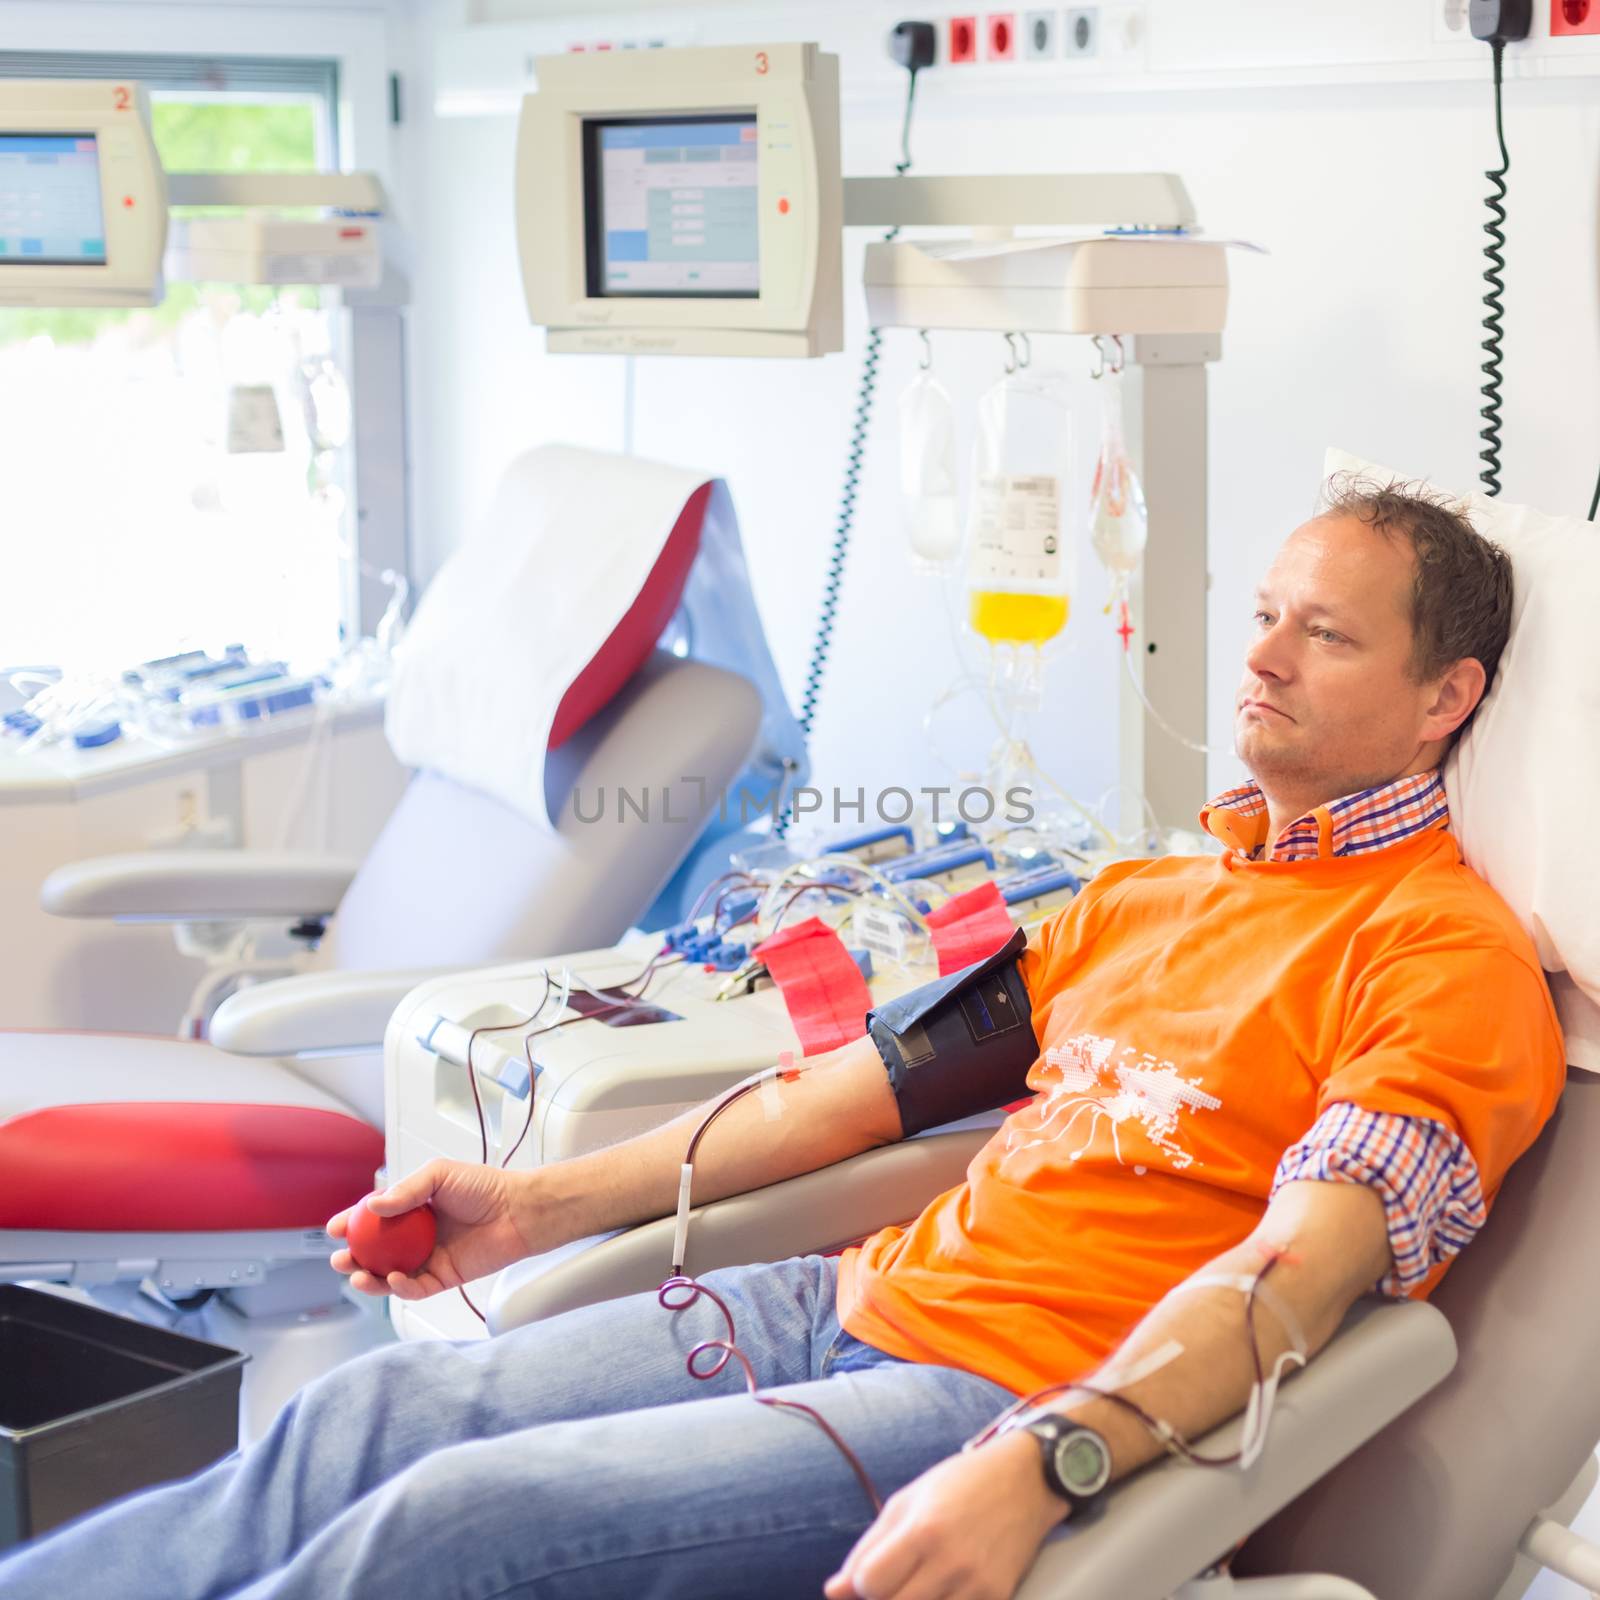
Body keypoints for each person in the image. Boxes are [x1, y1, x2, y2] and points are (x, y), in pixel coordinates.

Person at [0, 479, 1564, 1600]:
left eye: (1329, 637)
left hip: (997, 1395)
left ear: (1448, 696)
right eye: (1269, 616)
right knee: (361, 1418)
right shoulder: (1144, 894)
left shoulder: (1441, 957)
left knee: (453, 1525)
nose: (1266, 658)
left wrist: (1048, 1462)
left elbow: (1298, 1278)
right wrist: (531, 1207)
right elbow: (860, 1093)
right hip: (842, 1304)